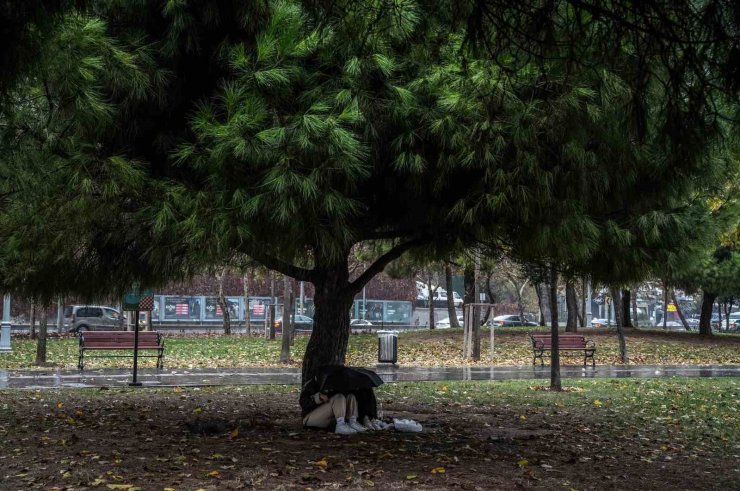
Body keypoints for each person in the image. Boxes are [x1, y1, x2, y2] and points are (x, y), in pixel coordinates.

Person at [299, 377, 367, 434]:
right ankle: (340, 425)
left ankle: (353, 422)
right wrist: (317, 398)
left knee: (350, 396)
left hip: (329, 418)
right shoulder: (311, 385)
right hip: (310, 418)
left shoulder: (333, 383)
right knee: (339, 397)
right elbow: (304, 404)